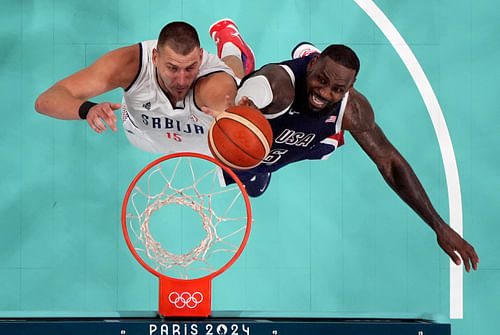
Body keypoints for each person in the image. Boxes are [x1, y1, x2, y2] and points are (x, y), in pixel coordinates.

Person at [206, 19, 480, 272]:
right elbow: (243, 99)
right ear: (313, 66)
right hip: (263, 118)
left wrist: (438, 225)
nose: (325, 93)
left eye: (338, 88)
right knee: (232, 89)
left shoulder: (353, 110)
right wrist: (235, 108)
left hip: (305, 140)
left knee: (316, 143)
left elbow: (389, 162)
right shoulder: (277, 85)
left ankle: (272, 154)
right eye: (322, 80)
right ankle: (234, 46)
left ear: (351, 87)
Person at [35, 21, 255, 155]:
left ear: (199, 57)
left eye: (190, 68)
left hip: (206, 143)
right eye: (172, 68)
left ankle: (232, 46)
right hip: (143, 136)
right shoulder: (128, 65)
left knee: (234, 77)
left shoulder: (213, 84)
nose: (181, 80)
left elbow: (237, 115)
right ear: (155, 57)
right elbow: (46, 101)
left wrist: (236, 118)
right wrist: (87, 109)